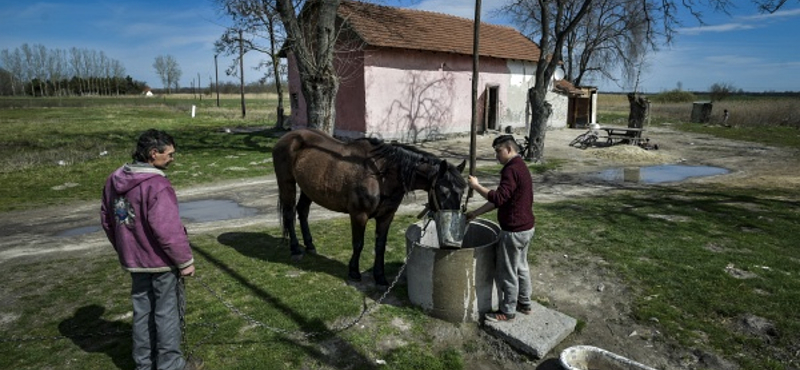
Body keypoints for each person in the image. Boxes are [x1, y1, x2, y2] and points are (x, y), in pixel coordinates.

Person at [101, 129, 203, 370]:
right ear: (153, 153)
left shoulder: (113, 179)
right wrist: (185, 261)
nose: (172, 158)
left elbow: (108, 220)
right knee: (167, 313)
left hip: (134, 261)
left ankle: (143, 364)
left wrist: (125, 249)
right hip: (161, 262)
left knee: (142, 311)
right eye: (169, 154)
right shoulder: (157, 185)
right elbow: (167, 229)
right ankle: (171, 364)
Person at [465, 135, 535, 322]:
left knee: (507, 271)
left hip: (513, 231)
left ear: (509, 149)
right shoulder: (520, 166)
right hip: (526, 228)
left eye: (498, 151)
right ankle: (525, 303)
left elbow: (497, 198)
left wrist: (476, 186)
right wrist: (475, 213)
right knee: (521, 267)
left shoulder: (511, 170)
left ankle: (508, 310)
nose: (496, 155)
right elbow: (502, 200)